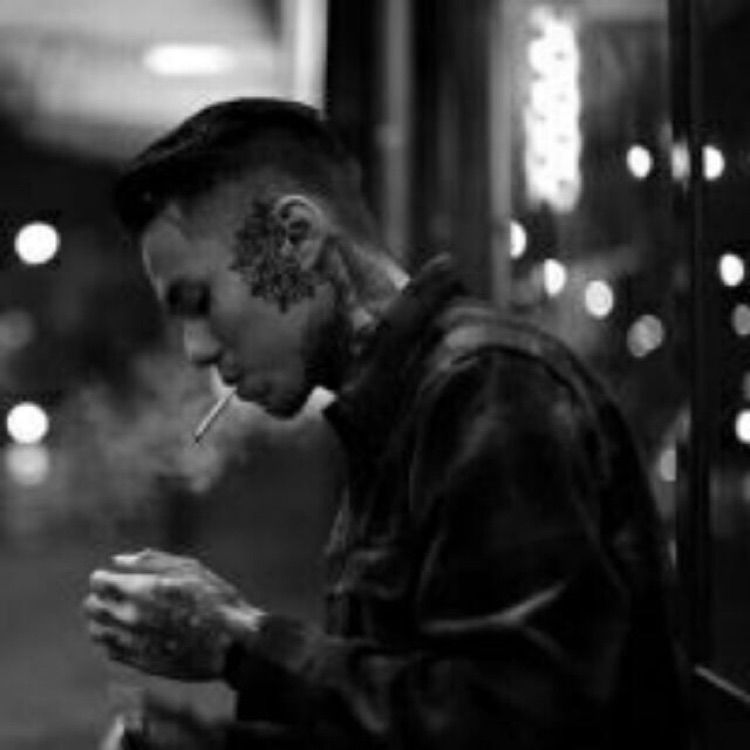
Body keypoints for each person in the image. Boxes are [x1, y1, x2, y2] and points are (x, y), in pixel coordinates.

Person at [83, 97, 688, 749]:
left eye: (199, 301)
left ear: (295, 238)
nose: (196, 348)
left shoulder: (487, 388)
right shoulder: (403, 411)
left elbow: (513, 724)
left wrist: (243, 642)